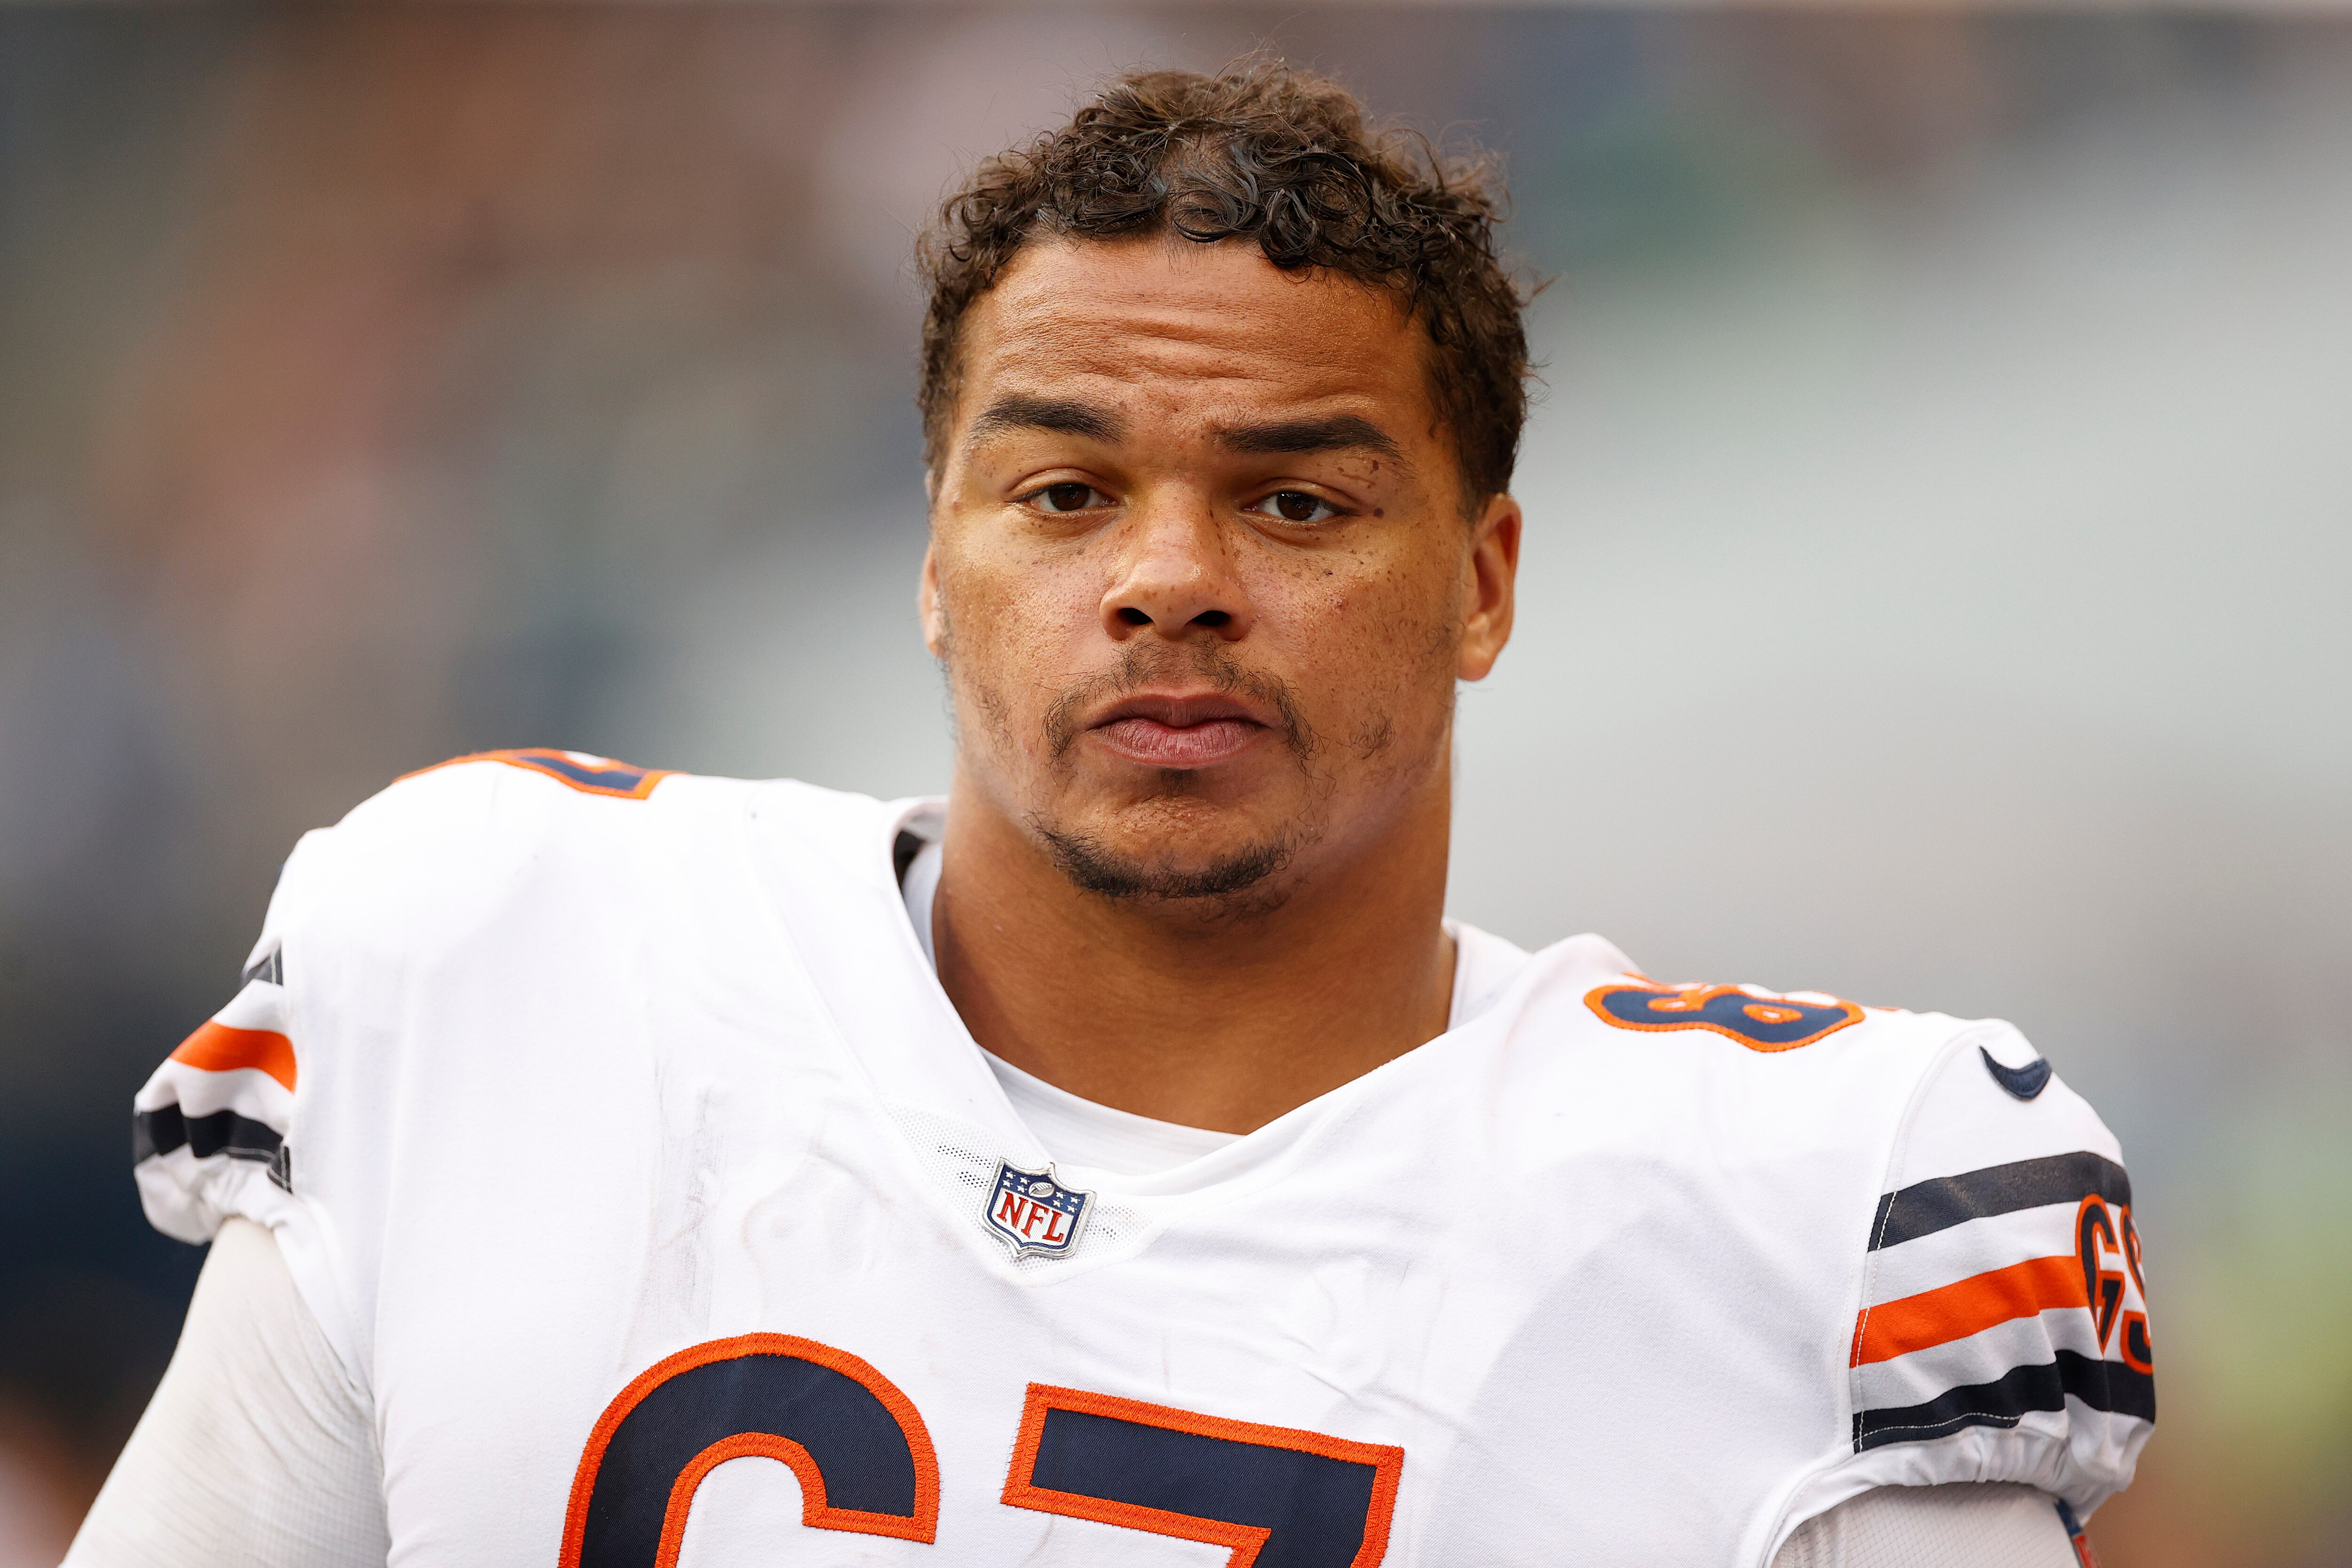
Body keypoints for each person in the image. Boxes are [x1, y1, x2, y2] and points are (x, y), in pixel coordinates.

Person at [64, 63, 2149, 1568]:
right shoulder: (506, 952)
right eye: (1063, 492)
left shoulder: (1794, 1207)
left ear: (1483, 583)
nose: (1167, 578)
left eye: (1296, 500)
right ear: (933, 557)